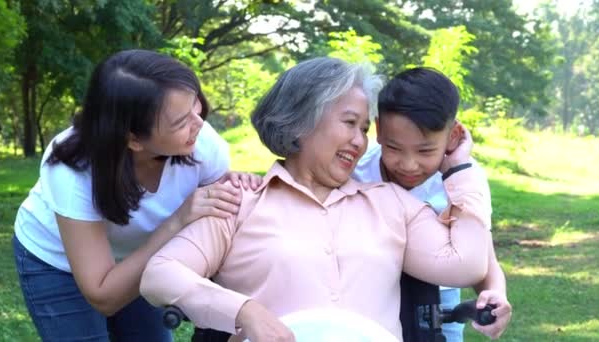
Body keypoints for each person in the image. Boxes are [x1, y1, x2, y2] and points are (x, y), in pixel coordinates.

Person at [140, 57, 493, 342]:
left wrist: (459, 169)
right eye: (350, 123)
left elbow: (466, 264)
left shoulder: (392, 203)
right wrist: (244, 311)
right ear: (302, 121)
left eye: (365, 130)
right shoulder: (241, 202)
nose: (360, 141)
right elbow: (160, 275)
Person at [12, 49, 259, 342]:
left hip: (143, 256)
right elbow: (103, 295)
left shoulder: (202, 144)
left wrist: (238, 188)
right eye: (181, 122)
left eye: (196, 106)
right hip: (56, 262)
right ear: (132, 139)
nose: (199, 124)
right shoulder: (72, 170)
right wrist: (177, 221)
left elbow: (218, 225)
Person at [352, 67, 512, 340]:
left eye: (425, 150)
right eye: (394, 148)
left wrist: (495, 293)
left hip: (441, 306)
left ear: (453, 136)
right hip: (366, 301)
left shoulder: (463, 179)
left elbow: (483, 253)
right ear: (378, 129)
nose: (408, 164)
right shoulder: (356, 170)